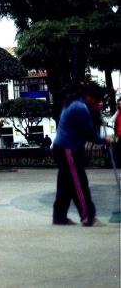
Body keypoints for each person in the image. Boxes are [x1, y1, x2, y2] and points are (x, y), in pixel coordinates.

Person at [52, 82, 112, 227]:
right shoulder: (79, 107)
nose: (97, 102)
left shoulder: (74, 103)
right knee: (79, 184)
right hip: (69, 150)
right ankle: (88, 217)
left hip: (61, 148)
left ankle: (59, 217)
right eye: (96, 99)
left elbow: (84, 124)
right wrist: (104, 140)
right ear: (90, 97)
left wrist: (94, 110)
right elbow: (88, 132)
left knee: (65, 186)